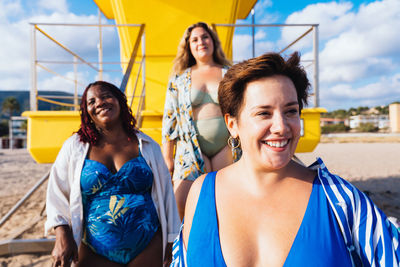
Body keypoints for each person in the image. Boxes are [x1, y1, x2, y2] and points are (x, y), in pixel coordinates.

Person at [171, 52, 400, 266]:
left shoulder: (339, 198)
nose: (281, 127)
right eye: (264, 113)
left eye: (291, 111)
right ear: (232, 124)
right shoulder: (200, 193)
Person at [45, 81, 180, 267]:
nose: (99, 102)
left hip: (148, 246)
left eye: (106, 96)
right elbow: (57, 193)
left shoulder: (147, 146)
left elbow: (166, 196)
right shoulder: (75, 147)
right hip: (93, 250)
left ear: (120, 102)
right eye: (91, 101)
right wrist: (61, 234)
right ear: (87, 112)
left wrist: (172, 240)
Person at [162, 22, 236, 219]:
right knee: (183, 204)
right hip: (189, 149)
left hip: (226, 146)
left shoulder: (231, 74)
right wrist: (168, 158)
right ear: (188, 46)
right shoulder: (179, 79)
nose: (200, 42)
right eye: (194, 39)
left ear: (213, 41)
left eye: (205, 37)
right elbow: (170, 120)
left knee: (227, 203)